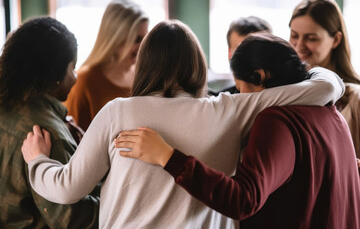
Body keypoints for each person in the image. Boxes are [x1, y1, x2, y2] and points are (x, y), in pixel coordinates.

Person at [21, 23, 343, 228]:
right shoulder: (230, 110)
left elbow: (67, 188)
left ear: (144, 63)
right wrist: (317, 71)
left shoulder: (118, 112)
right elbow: (324, 88)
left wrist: (37, 161)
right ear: (197, 65)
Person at [114, 34, 360, 228]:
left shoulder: (275, 121)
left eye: (241, 89)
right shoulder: (331, 113)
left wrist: (167, 156)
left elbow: (243, 199)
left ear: (260, 76)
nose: (240, 99)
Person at [0, 17, 99, 228]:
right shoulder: (46, 136)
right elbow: (73, 220)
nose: (75, 77)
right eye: (72, 68)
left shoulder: (5, 106)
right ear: (54, 74)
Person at [289, 0, 360, 157]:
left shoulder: (355, 99)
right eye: (294, 36)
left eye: (311, 38)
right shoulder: (286, 93)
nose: (299, 46)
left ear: (336, 40)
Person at [64, 0, 149, 131]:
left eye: (146, 38)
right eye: (137, 39)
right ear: (115, 40)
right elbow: (74, 140)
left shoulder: (148, 76)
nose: (144, 46)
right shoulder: (84, 81)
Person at [209, 16, 272, 95]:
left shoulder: (287, 96)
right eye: (239, 53)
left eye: (256, 53)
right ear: (230, 54)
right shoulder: (217, 103)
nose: (249, 62)